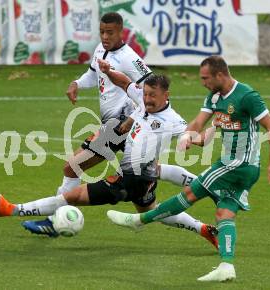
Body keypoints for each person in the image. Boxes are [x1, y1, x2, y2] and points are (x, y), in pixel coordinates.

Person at [107, 56, 270, 282]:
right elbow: (198, 122)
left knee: (191, 193)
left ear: (220, 75)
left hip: (237, 165)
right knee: (224, 213)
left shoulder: (247, 96)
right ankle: (226, 265)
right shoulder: (214, 96)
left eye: (205, 78)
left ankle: (140, 221)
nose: (203, 82)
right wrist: (188, 135)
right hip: (238, 166)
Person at [0, 73, 218, 248]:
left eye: (153, 96)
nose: (147, 100)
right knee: (151, 211)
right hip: (146, 178)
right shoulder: (143, 99)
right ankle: (204, 229)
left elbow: (200, 139)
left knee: (71, 196)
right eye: (146, 94)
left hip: (129, 180)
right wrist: (108, 70)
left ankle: (12, 209)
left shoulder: (173, 121)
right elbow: (125, 83)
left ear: (166, 95)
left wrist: (215, 127)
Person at [23, 12, 198, 235]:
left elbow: (155, 91)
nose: (105, 36)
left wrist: (132, 119)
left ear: (121, 32)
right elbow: (92, 74)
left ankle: (53, 221)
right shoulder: (101, 49)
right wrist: (76, 83)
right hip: (117, 125)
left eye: (110, 33)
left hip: (119, 126)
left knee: (73, 166)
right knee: (147, 203)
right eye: (102, 32)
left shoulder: (130, 58)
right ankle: (204, 218)